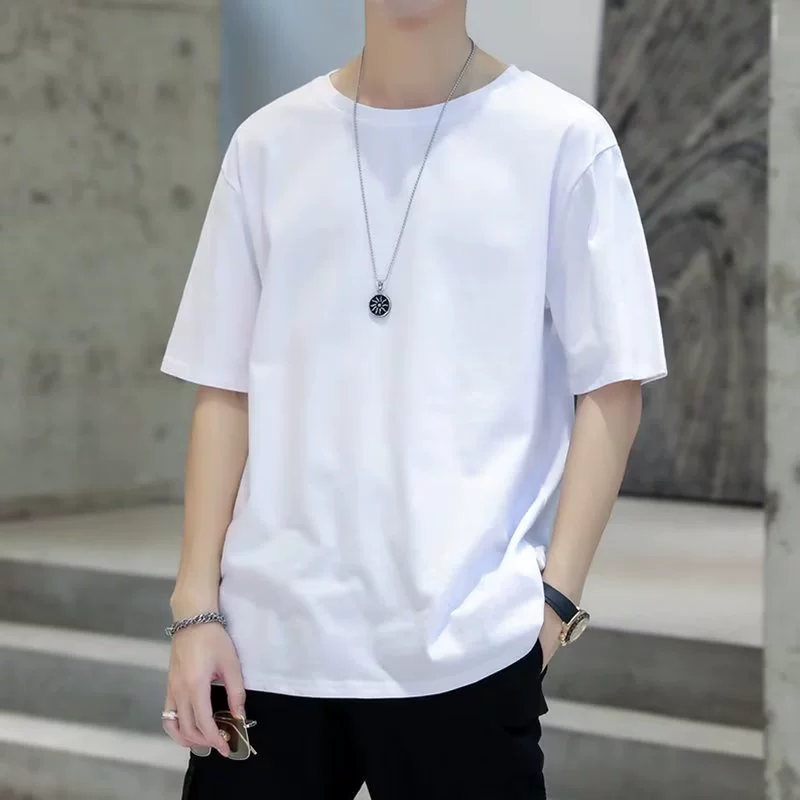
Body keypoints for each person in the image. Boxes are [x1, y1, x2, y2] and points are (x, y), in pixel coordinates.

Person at [159, 0, 667, 797]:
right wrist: (197, 608)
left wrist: (556, 604)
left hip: (466, 647)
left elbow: (613, 383)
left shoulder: (563, 140)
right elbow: (225, 386)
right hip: (269, 644)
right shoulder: (268, 144)